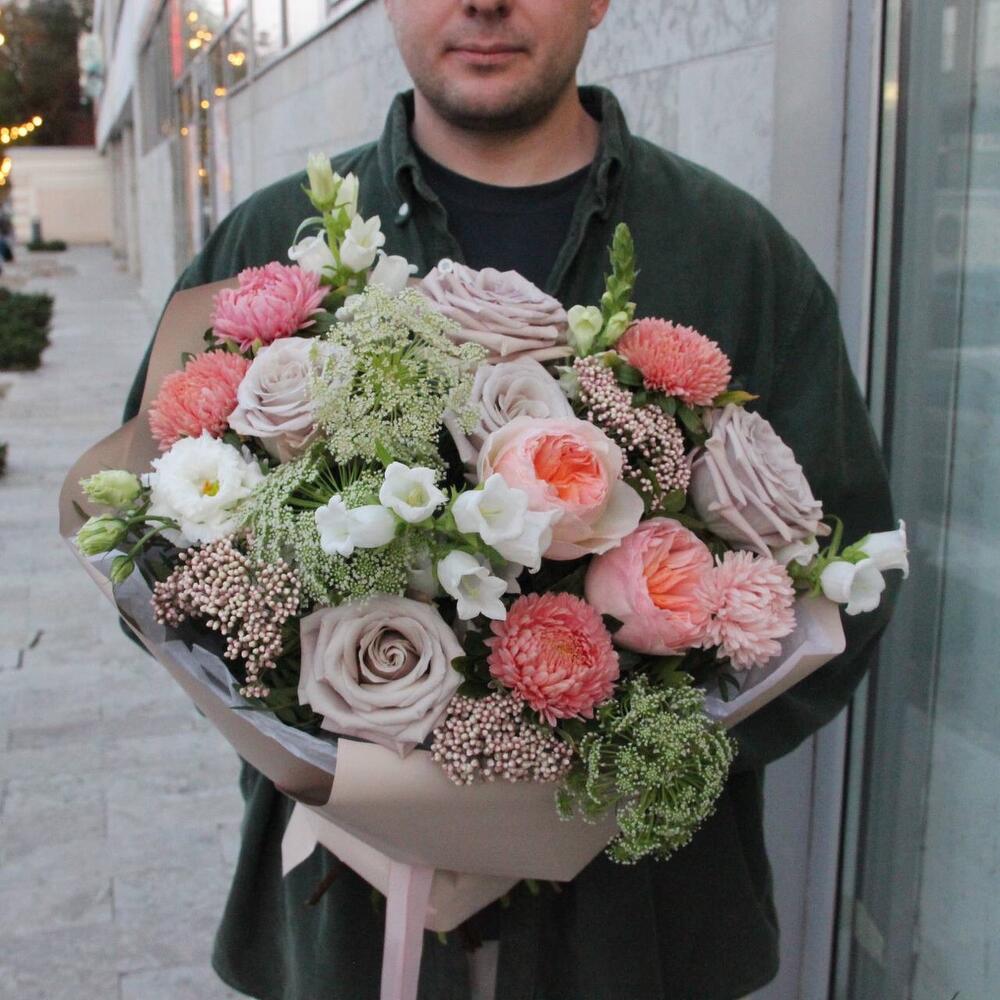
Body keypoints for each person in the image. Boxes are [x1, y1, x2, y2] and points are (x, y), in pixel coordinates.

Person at [123, 1, 896, 997]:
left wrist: (621, 764)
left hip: (637, 933)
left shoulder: (733, 252)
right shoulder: (270, 243)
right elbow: (152, 548)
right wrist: (344, 757)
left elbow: (849, 578)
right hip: (350, 929)